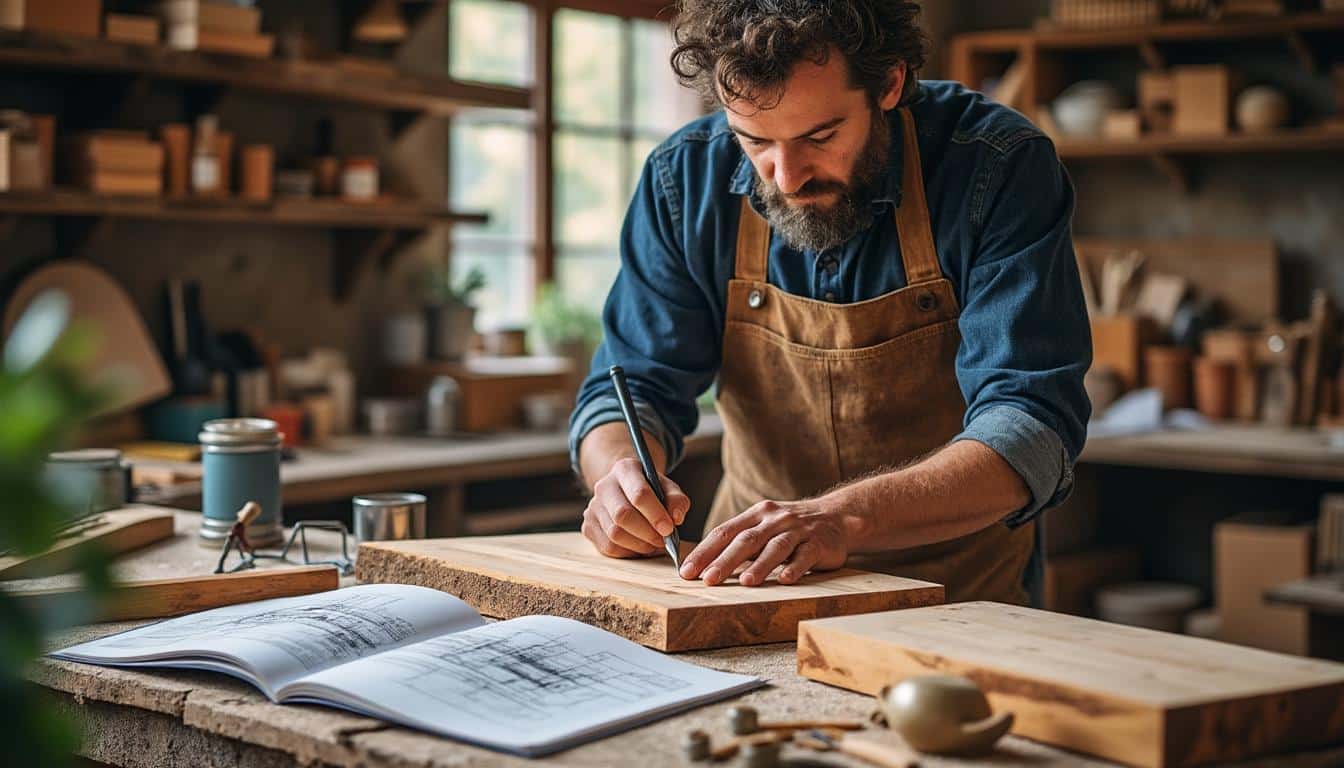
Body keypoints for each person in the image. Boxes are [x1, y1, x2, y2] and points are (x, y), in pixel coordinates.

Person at [568, 0, 1091, 604]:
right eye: (754, 141)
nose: (786, 177)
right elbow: (628, 391)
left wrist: (839, 519)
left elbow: (1030, 427)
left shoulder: (996, 167)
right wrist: (617, 477)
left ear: (889, 83)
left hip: (957, 595)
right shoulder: (683, 179)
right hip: (747, 587)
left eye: (821, 136)